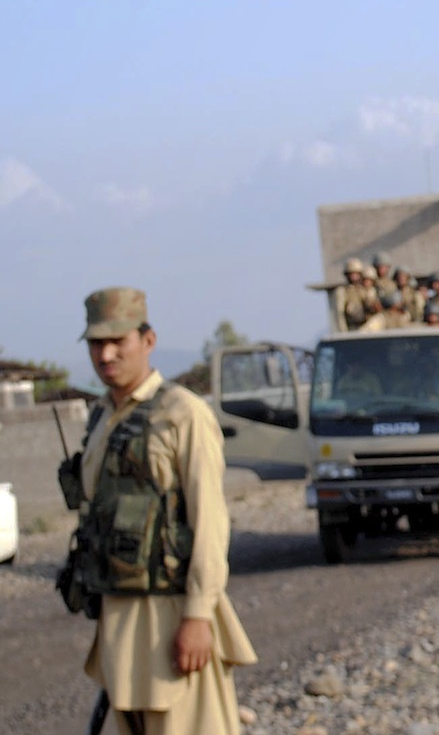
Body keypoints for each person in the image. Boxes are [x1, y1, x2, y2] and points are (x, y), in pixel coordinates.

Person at [67, 287, 257, 732]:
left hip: (171, 615)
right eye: (96, 343)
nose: (107, 354)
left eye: (119, 341)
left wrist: (197, 616)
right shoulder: (100, 418)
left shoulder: (182, 413)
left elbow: (210, 521)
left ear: (148, 341)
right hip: (117, 616)